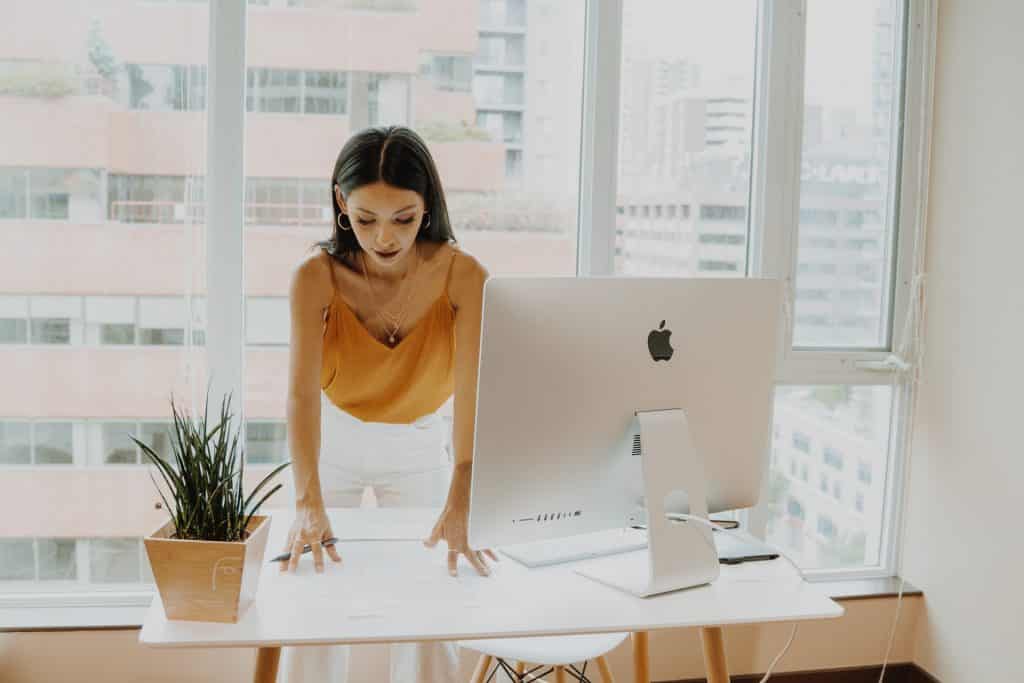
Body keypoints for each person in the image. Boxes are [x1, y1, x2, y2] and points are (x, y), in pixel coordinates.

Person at [277, 125, 497, 682]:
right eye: (366, 218)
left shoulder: (465, 275)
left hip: (421, 443)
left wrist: (464, 486)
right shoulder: (315, 276)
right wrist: (307, 499)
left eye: (403, 217)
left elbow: (474, 391)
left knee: (430, 606)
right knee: (313, 604)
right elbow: (301, 394)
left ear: (428, 207)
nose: (384, 238)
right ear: (340, 204)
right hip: (333, 442)